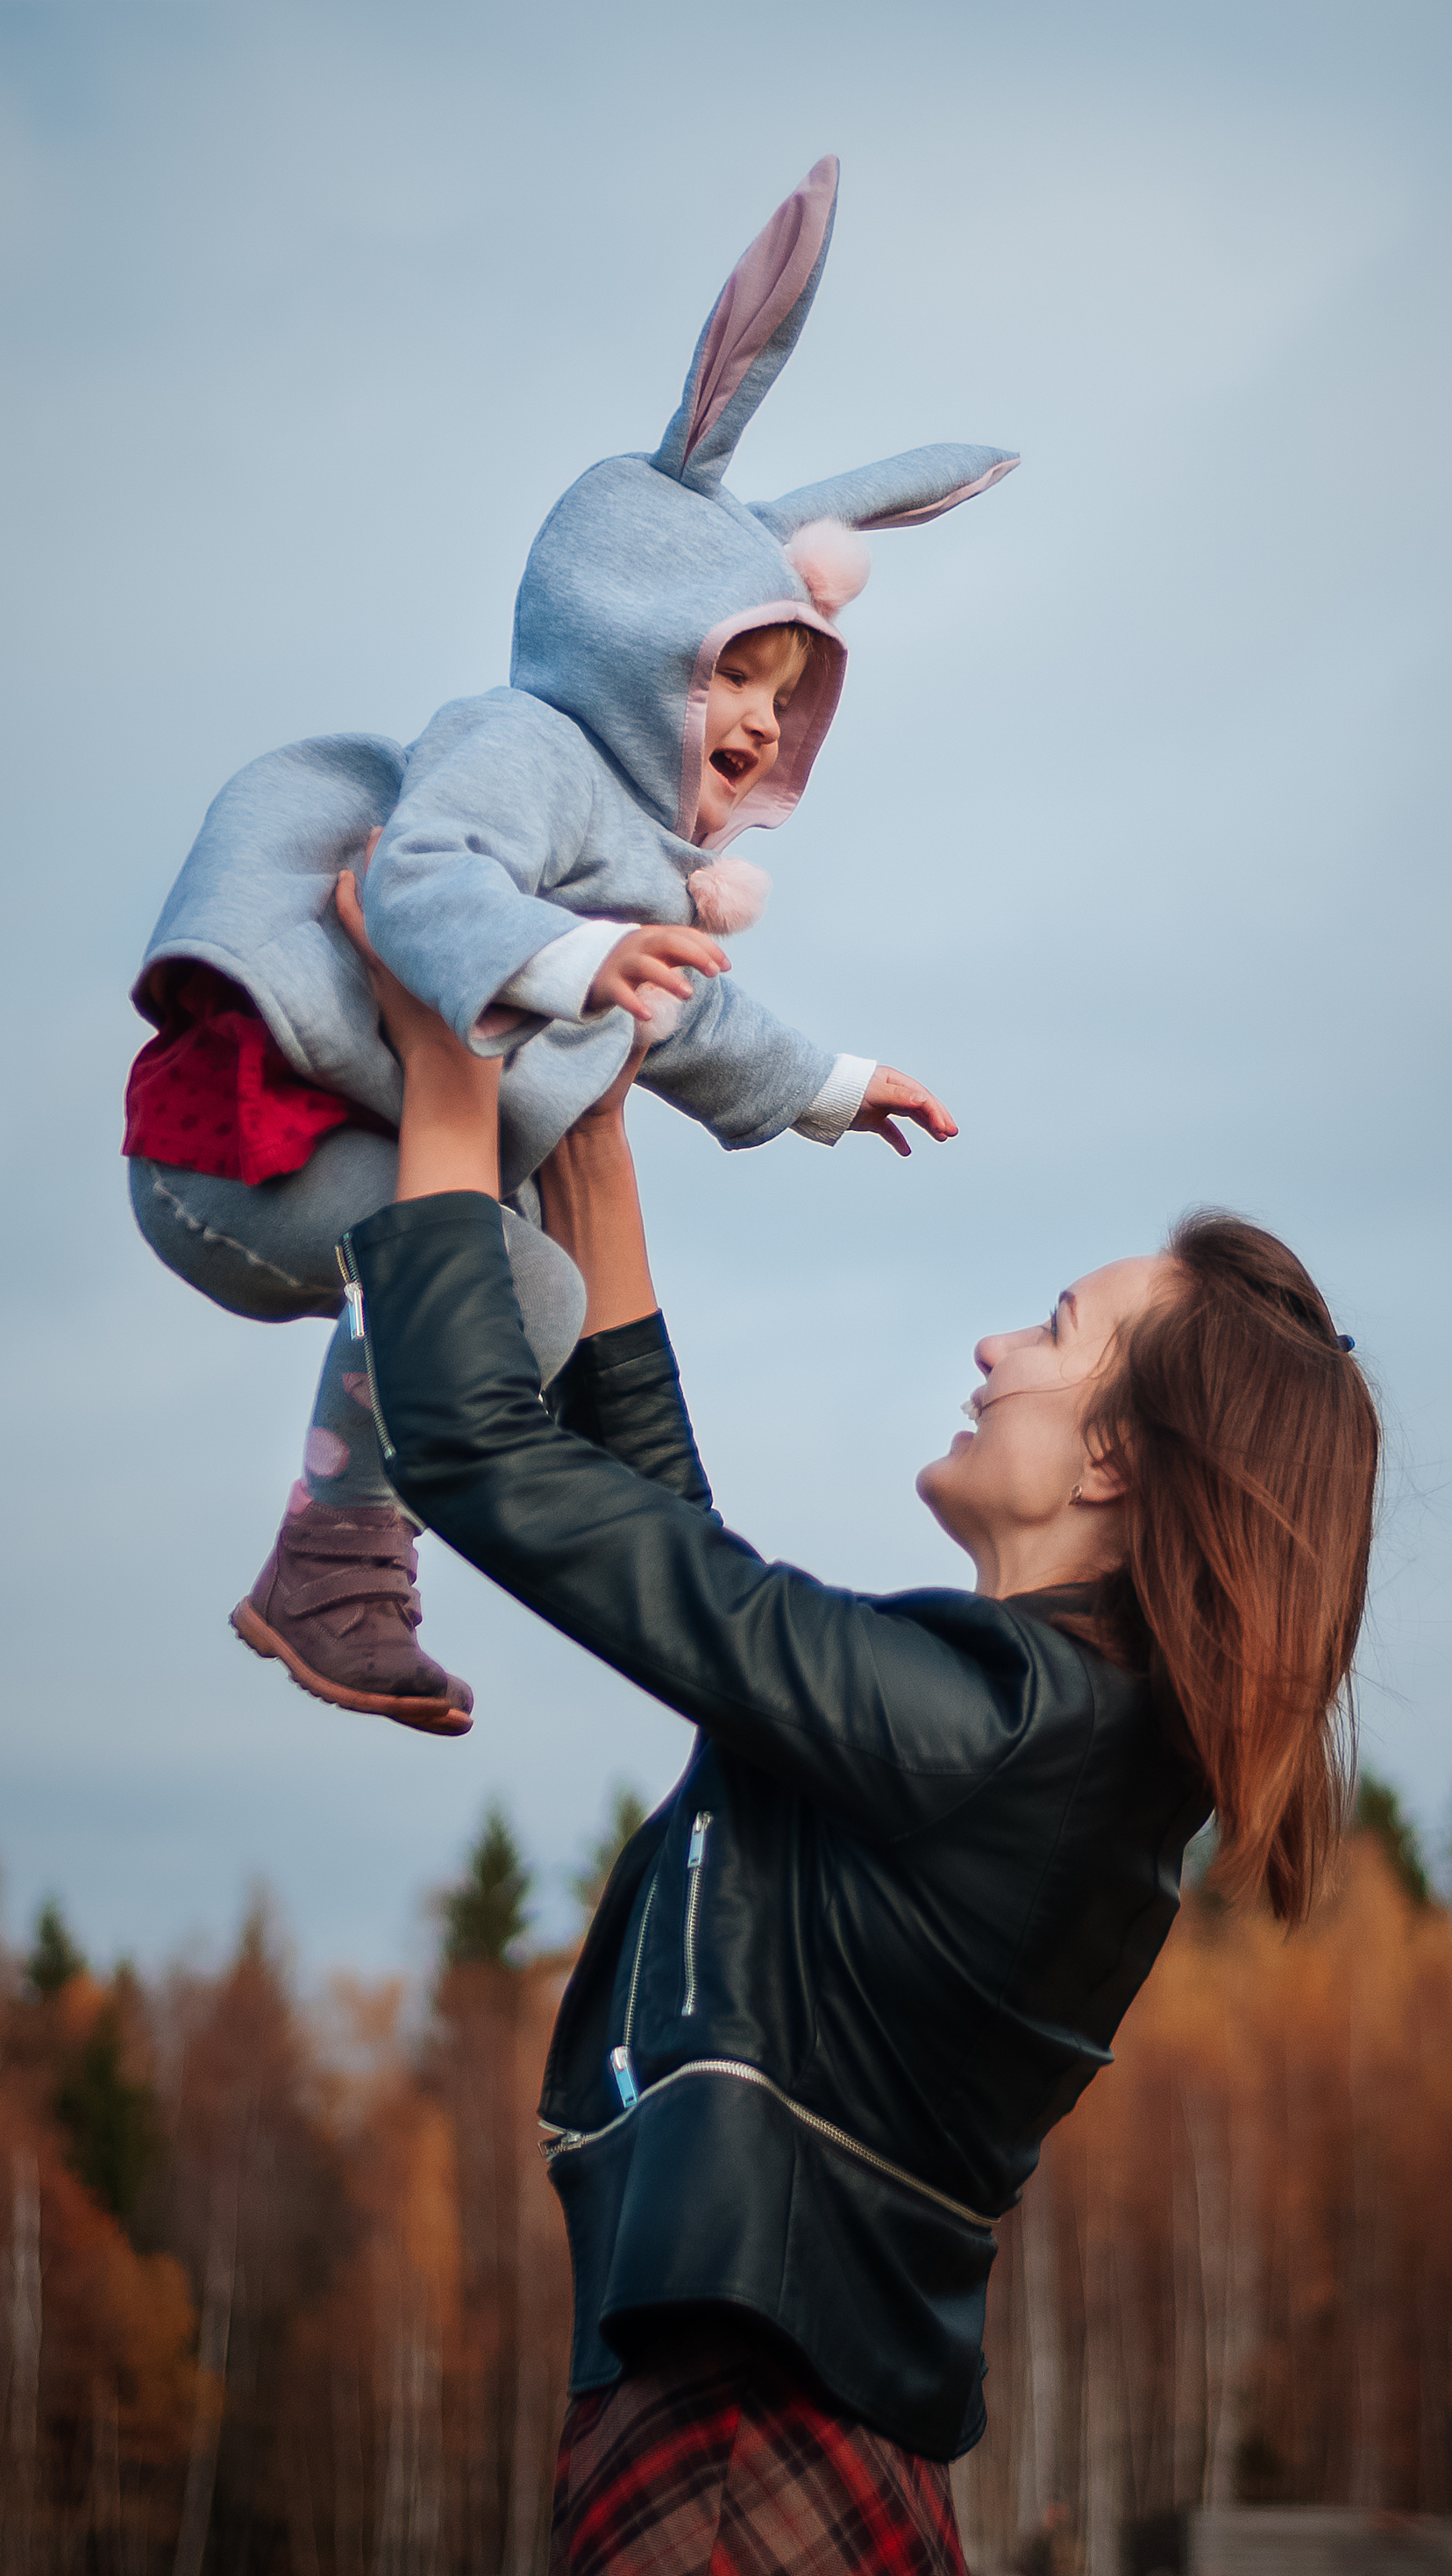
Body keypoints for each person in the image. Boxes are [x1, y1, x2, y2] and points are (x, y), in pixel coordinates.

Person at [334, 879, 1380, 2576]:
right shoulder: (1040, 1735)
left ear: (1112, 1457)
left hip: (743, 2518)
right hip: (803, 2528)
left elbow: (473, 1449)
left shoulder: (995, 1729)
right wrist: (598, 1147)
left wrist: (449, 1054)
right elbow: (700, 1587)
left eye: (1055, 1326)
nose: (995, 1342)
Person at [121, 154, 1011, 1736]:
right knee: (516, 1290)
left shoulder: (629, 851)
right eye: (734, 670)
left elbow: (698, 1026)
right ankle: (332, 1568)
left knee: (520, 1285)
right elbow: (419, 885)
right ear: (627, 629)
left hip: (332, 1147)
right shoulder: (521, 747)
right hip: (243, 1155)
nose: (758, 721)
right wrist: (570, 965)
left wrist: (834, 1085)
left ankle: (335, 1555)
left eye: (785, 694)